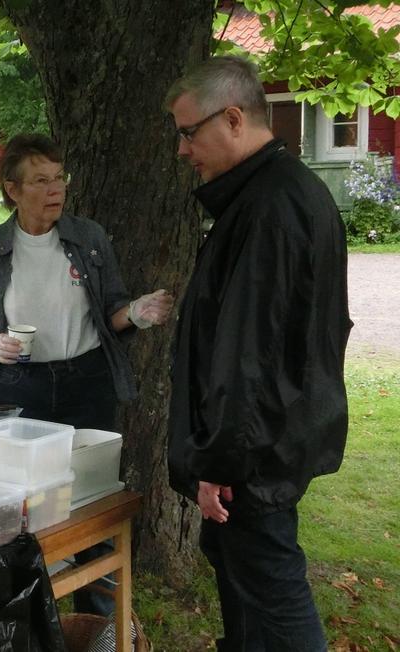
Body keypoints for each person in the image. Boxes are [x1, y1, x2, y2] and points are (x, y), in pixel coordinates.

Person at [165, 56, 351, 651]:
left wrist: (221, 461)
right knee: (248, 589)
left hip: (254, 453)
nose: (182, 149)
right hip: (268, 440)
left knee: (274, 598)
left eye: (188, 132)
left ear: (235, 118)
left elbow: (250, 354)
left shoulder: (271, 207)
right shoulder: (278, 193)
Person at [0, 133, 173, 617]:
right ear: (13, 190)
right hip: (21, 389)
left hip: (87, 383)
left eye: (59, 178)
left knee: (92, 502)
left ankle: (96, 624)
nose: (55, 189)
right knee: (23, 507)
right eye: (41, 180)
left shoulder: (89, 238)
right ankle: (29, 621)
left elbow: (112, 311)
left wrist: (136, 312)